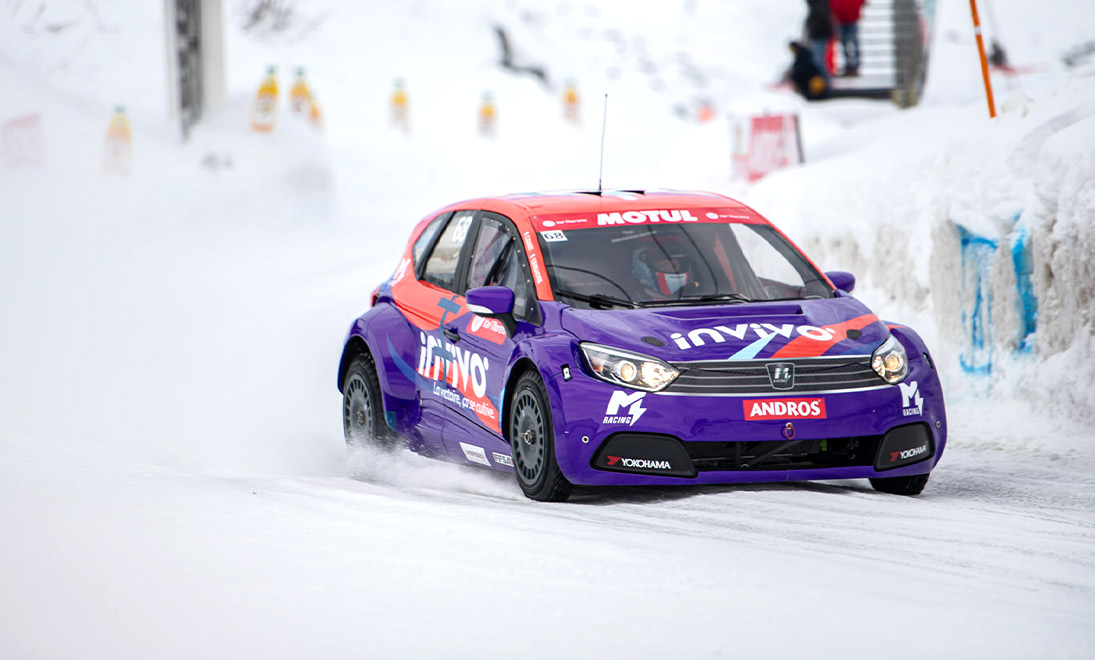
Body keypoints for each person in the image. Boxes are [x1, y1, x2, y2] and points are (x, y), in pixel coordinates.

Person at [830, 0, 867, 76]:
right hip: (840, 18)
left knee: (853, 42)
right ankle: (848, 65)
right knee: (843, 43)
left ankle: (854, 65)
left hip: (852, 17)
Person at [803, 0, 834, 78]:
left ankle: (824, 80)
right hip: (819, 34)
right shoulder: (820, 6)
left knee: (818, 60)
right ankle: (823, 79)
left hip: (819, 34)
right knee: (818, 59)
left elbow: (823, 19)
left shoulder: (818, 7)